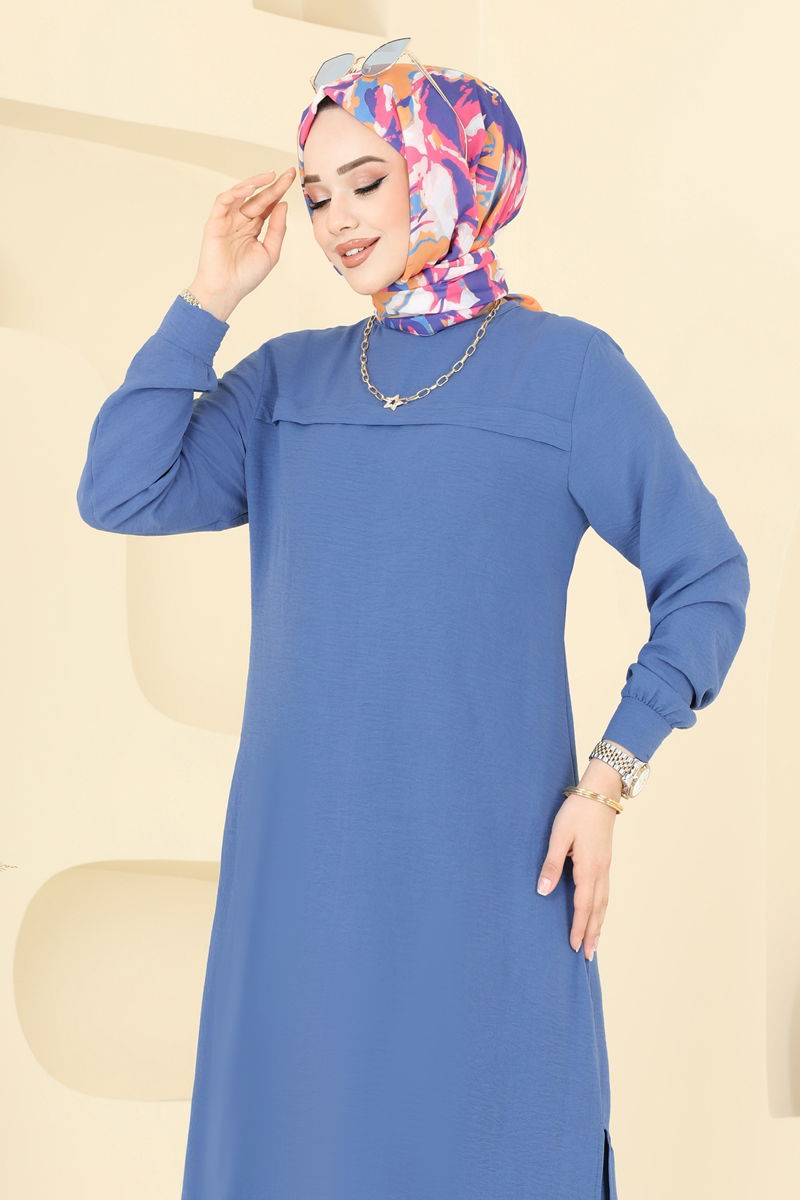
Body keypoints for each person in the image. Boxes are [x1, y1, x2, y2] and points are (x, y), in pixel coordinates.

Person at [75, 52, 750, 1200]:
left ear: (450, 171)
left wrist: (607, 781)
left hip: (487, 875)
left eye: (366, 181)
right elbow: (121, 489)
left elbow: (707, 576)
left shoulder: (567, 372)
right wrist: (207, 299)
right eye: (315, 193)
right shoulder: (283, 384)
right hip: (297, 885)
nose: (336, 219)